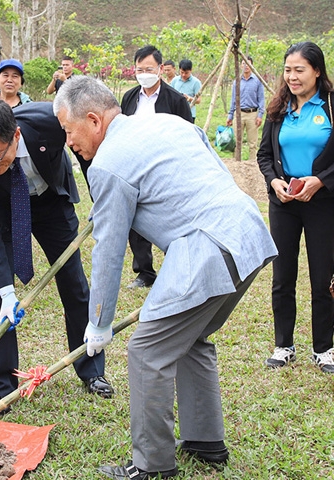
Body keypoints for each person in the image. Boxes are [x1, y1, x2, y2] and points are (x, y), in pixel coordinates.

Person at [54, 76, 276, 479]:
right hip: (247, 233)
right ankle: (206, 442)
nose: (69, 142)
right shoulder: (171, 122)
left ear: (93, 120)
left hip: (205, 248)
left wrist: (98, 322)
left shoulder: (107, 164)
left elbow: (108, 250)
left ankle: (152, 465)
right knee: (189, 339)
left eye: (69, 131)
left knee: (146, 353)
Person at [0, 98, 113, 415]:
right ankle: (0, 387)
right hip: (4, 210)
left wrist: (101, 196)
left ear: (16, 135)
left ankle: (91, 370)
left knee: (74, 283)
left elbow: (89, 149)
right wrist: (7, 292)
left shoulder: (50, 120)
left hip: (50, 202)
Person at [256, 42, 334, 374]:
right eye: (288, 70)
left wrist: (321, 180)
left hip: (323, 203)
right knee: (282, 275)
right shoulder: (278, 109)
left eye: (299, 70)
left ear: (317, 71)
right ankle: (284, 345)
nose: (292, 76)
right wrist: (274, 182)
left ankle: (325, 348)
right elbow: (264, 156)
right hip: (285, 203)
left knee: (323, 277)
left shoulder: (330, 106)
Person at [119, 46, 193, 290]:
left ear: (160, 70)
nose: (144, 74)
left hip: (167, 169)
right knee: (136, 220)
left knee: (171, 219)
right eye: (139, 70)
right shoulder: (130, 98)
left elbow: (187, 135)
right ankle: (145, 272)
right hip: (135, 168)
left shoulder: (175, 100)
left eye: (149, 69)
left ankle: (181, 269)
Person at [227, 56, 266, 160]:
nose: (246, 66)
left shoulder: (257, 81)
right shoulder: (237, 81)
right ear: (240, 65)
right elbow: (233, 99)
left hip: (252, 114)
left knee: (252, 142)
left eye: (248, 64)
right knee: (236, 140)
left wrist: (260, 115)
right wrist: (230, 115)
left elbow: (261, 99)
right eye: (243, 64)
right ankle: (236, 162)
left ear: (252, 66)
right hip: (239, 113)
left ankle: (252, 163)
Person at [170, 59, 202, 123]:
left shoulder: (196, 82)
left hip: (189, 113)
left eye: (186, 73)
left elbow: (198, 100)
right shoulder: (175, 80)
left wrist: (188, 98)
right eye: (182, 72)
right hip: (176, 113)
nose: (184, 75)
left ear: (191, 70)